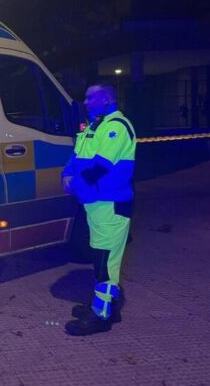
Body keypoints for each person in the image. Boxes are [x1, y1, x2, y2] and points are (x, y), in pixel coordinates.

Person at [61, 83, 136, 336]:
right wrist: (66, 174)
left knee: (105, 261)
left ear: (106, 99)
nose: (85, 101)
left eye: (90, 97)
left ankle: (101, 315)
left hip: (110, 202)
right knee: (102, 257)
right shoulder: (95, 126)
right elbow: (77, 155)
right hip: (96, 202)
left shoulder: (117, 126)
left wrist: (75, 184)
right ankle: (106, 305)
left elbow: (101, 166)